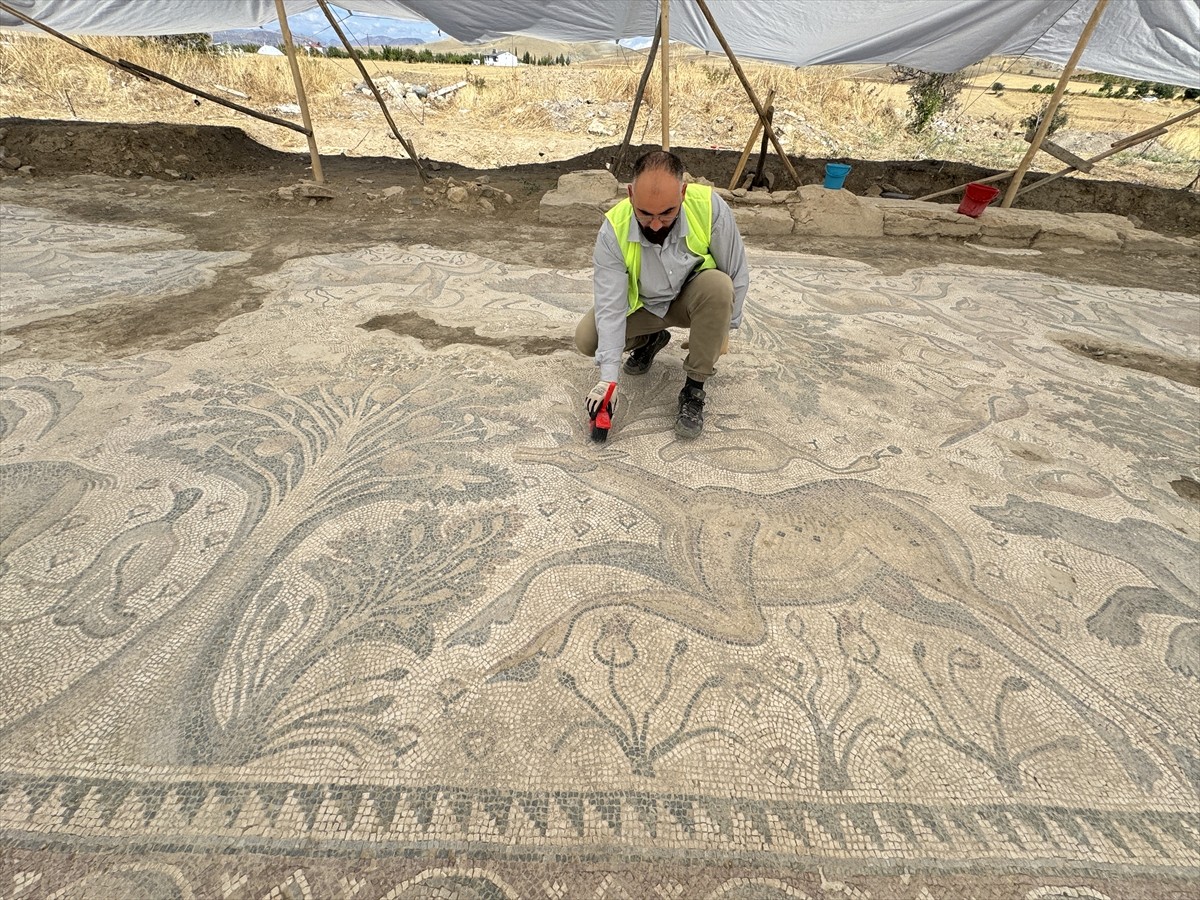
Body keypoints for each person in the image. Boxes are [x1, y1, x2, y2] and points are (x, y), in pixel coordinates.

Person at [576, 149, 749, 439]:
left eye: (667, 213)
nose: (655, 225)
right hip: (645, 306)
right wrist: (608, 381)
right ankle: (651, 339)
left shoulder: (709, 208)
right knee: (587, 338)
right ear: (631, 194)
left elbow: (736, 272)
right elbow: (610, 305)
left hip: (691, 298)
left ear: (682, 193)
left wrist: (724, 330)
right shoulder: (612, 231)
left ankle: (694, 388)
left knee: (720, 287)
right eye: (645, 214)